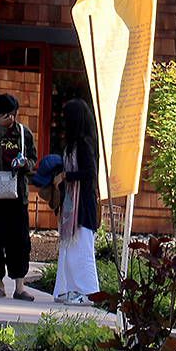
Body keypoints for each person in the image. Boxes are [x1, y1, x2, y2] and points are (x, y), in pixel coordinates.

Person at [0, 92, 38, 300]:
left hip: (17, 192)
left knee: (19, 240)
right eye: (6, 115)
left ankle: (19, 285)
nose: (11, 118)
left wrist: (25, 164)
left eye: (13, 114)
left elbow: (33, 159)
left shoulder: (23, 133)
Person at [51, 97, 101, 304]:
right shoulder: (74, 144)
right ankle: (71, 288)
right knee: (70, 250)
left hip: (83, 204)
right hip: (73, 202)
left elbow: (90, 172)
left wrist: (66, 176)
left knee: (82, 249)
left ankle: (88, 291)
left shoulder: (83, 145)